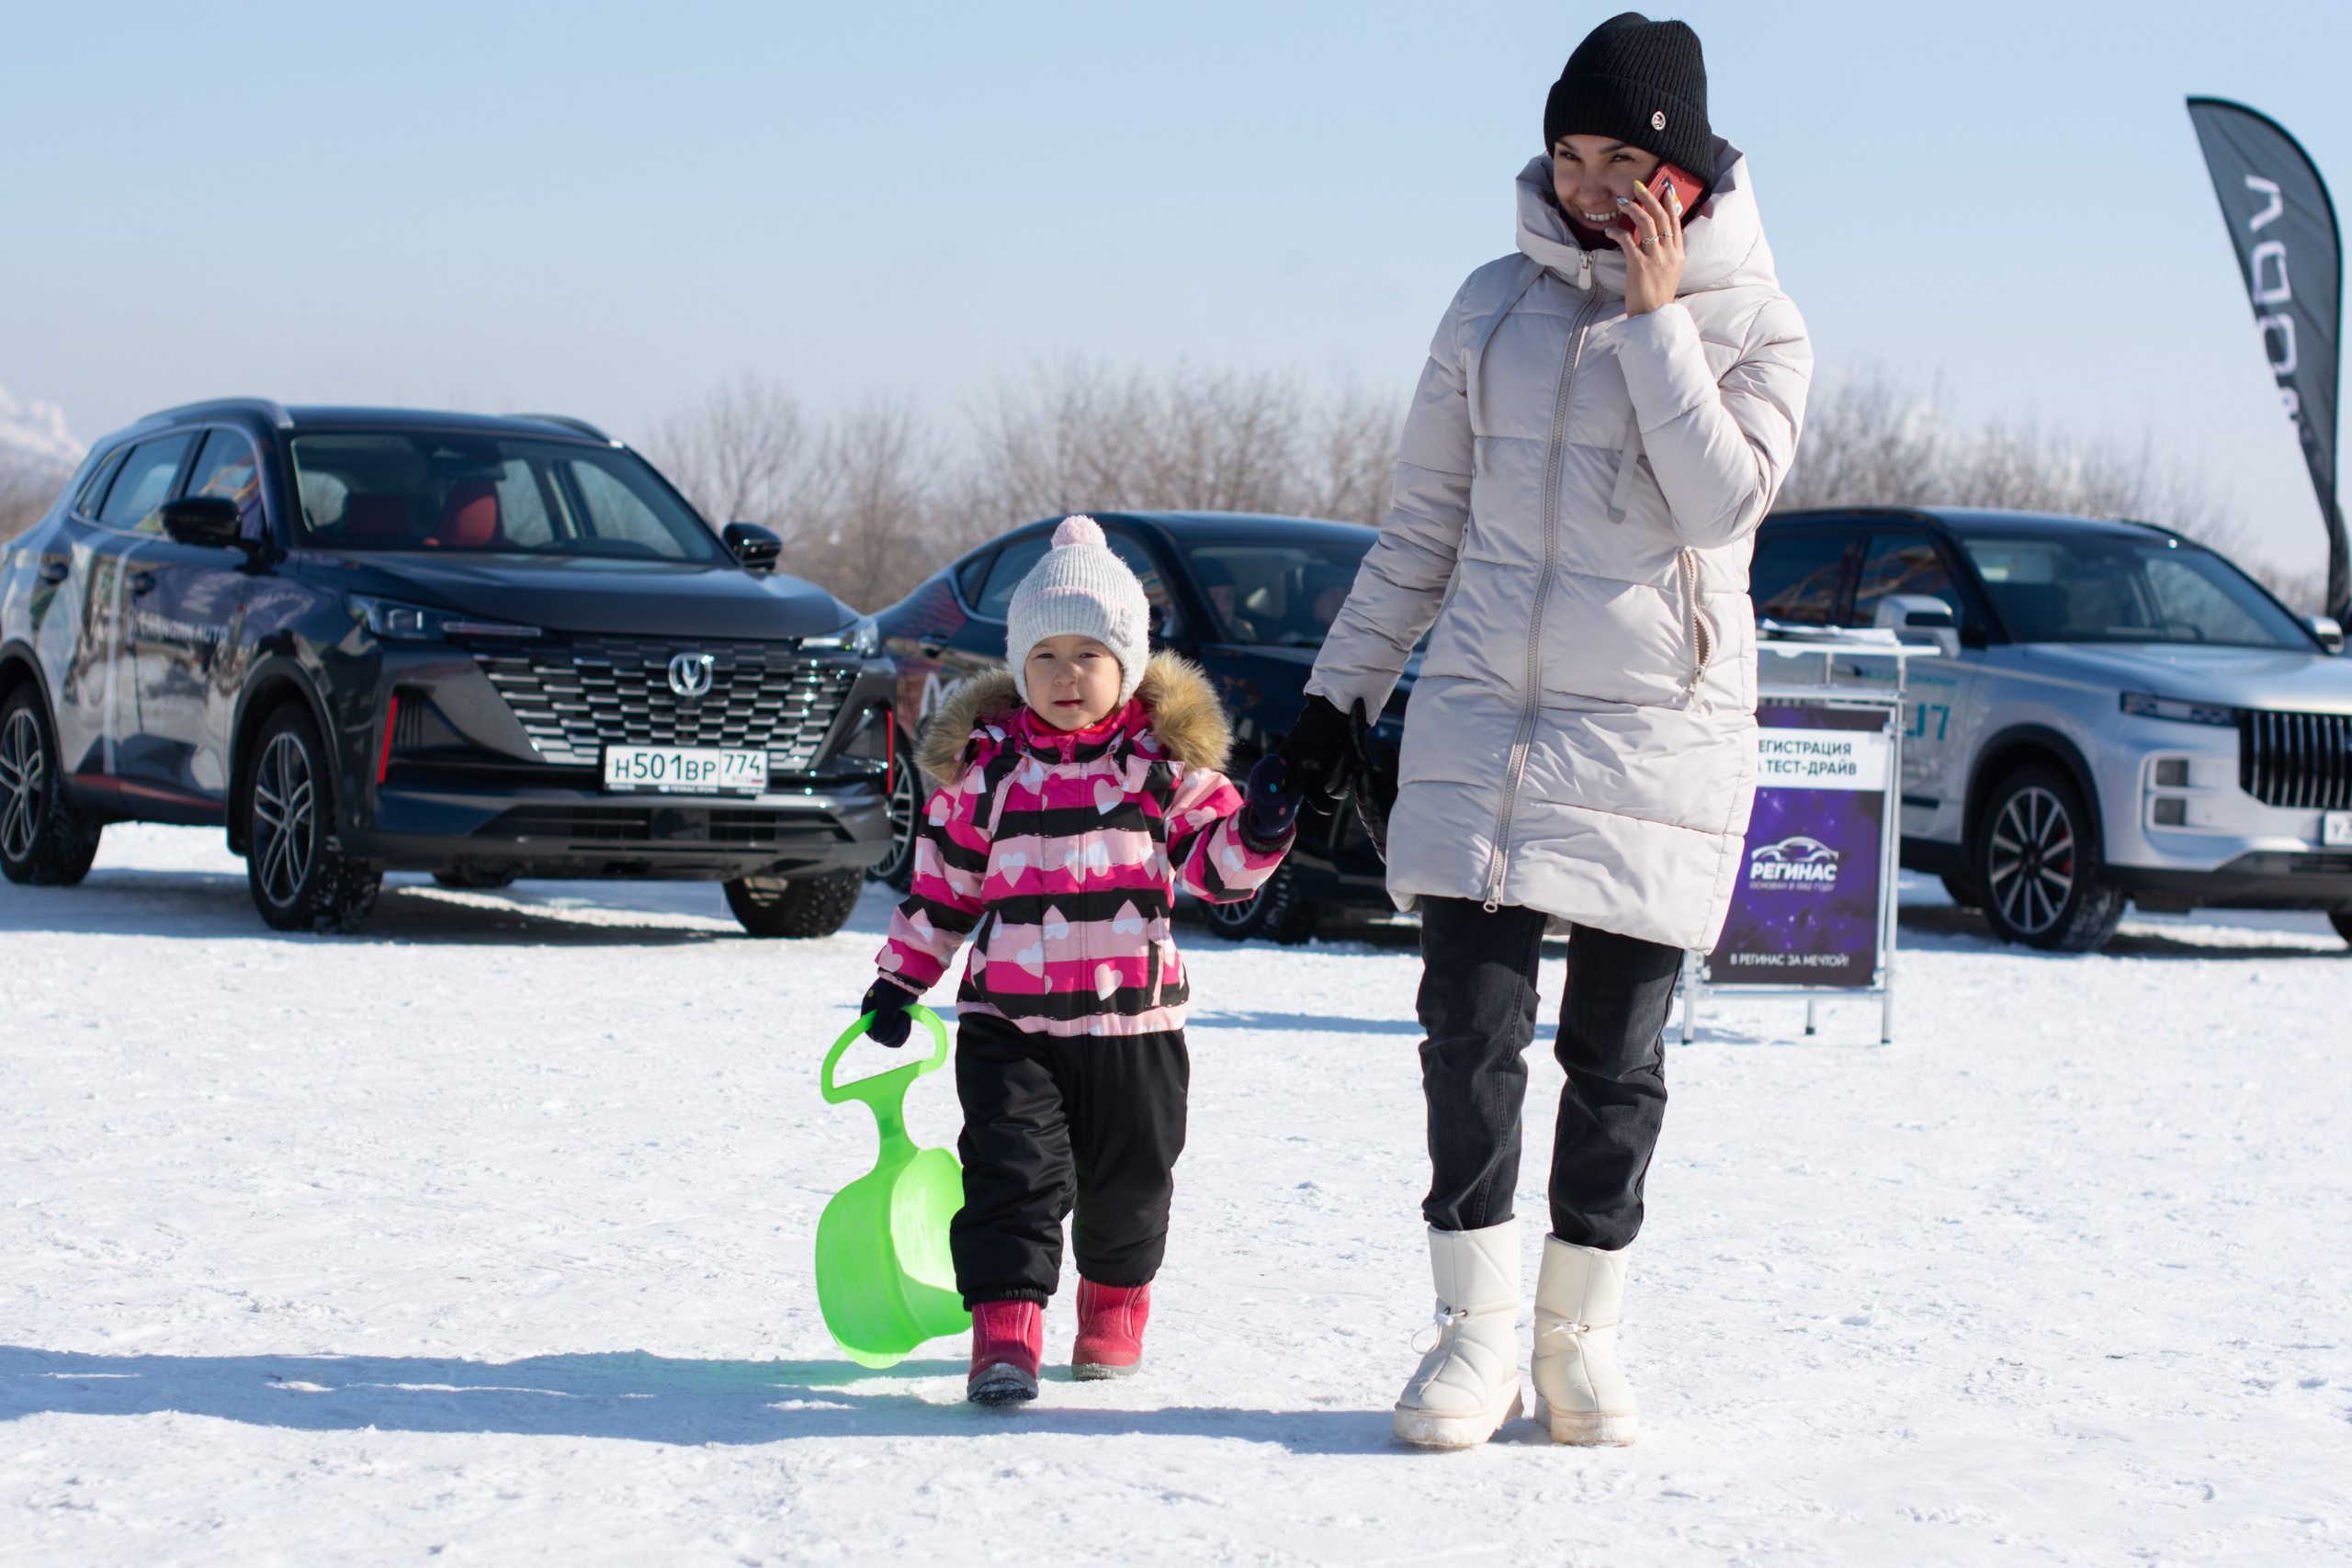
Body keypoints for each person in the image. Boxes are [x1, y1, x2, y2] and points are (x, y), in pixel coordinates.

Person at [1281, 12, 1812, 1449]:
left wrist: (1651, 325)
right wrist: (1339, 695)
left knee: (1618, 1056)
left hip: (1654, 740)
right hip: (1482, 730)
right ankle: (1471, 1337)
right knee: (1466, 1028)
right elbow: (1421, 530)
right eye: (1568, 154)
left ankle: (1581, 1337)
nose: (1584, 185)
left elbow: (1719, 504)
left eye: (1617, 159)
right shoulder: (1487, 308)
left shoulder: (1761, 325)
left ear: (1684, 174)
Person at [859, 515, 1303, 1405]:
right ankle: (1005, 1339)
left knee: (1132, 1178)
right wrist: (901, 977)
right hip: (1009, 1025)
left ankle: (1112, 1310)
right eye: (1047, 657)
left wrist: (1259, 829)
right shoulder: (986, 770)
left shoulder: (1158, 766)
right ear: (1019, 666)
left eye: (1089, 656)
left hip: (1133, 1022)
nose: (1067, 677)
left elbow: (1213, 865)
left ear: (1128, 666)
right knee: (1009, 1176)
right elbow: (944, 888)